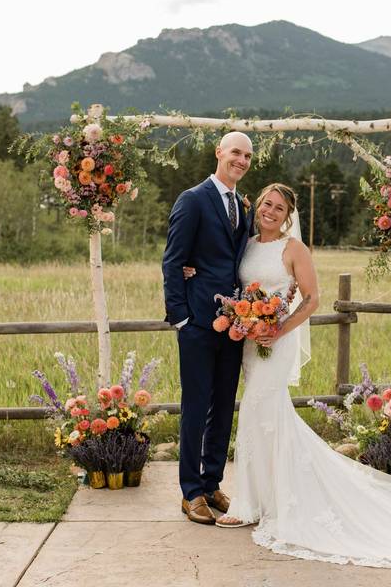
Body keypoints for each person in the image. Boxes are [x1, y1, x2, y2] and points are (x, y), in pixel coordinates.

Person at [190, 182, 391, 568]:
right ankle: (265, 497)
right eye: (267, 204)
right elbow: (226, 271)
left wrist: (278, 328)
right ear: (258, 206)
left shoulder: (294, 249)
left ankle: (249, 503)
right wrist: (192, 269)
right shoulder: (247, 242)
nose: (271, 212)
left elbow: (312, 299)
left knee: (259, 410)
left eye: (280, 208)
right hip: (250, 343)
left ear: (289, 216)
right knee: (265, 416)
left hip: (276, 343)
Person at [161, 131, 254, 525]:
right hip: (198, 323)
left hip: (234, 326)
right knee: (196, 407)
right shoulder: (193, 199)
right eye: (236, 152)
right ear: (219, 153)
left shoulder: (242, 206)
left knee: (223, 405)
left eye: (248, 156)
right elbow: (172, 261)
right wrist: (181, 317)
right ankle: (190, 493)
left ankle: (212, 482)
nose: (242, 160)